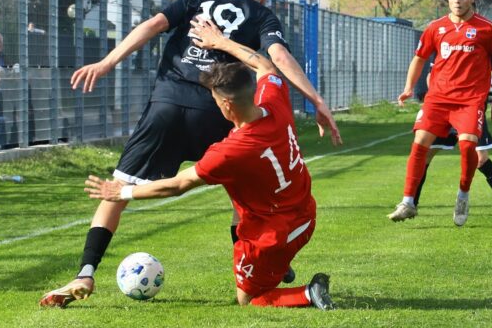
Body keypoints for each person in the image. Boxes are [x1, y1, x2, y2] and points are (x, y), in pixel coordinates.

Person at [39, 0, 341, 308]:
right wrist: (317, 100)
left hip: (165, 108)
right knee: (240, 189)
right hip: (216, 112)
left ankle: (85, 272)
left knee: (115, 193)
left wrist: (108, 62)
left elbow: (153, 25)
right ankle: (258, 263)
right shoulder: (262, 16)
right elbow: (276, 59)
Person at [83, 19, 335, 309]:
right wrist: (222, 42)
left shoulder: (231, 150)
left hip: (274, 232)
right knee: (259, 260)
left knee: (250, 300)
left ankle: (308, 292)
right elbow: (266, 66)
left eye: (215, 99)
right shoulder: (273, 99)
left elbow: (177, 185)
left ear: (226, 104)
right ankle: (276, 269)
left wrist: (122, 193)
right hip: (305, 213)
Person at [387, 0, 492, 226]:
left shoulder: (486, 28)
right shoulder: (436, 27)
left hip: (470, 100)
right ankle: (408, 202)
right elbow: (420, 58)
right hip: (438, 99)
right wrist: (409, 87)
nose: (457, 1)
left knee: (468, 147)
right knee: (419, 143)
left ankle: (463, 195)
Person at [413, 70, 492, 220]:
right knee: (425, 155)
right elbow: (432, 74)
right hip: (445, 108)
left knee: (481, 159)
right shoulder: (446, 47)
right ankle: (411, 205)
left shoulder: (486, 48)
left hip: (472, 109)